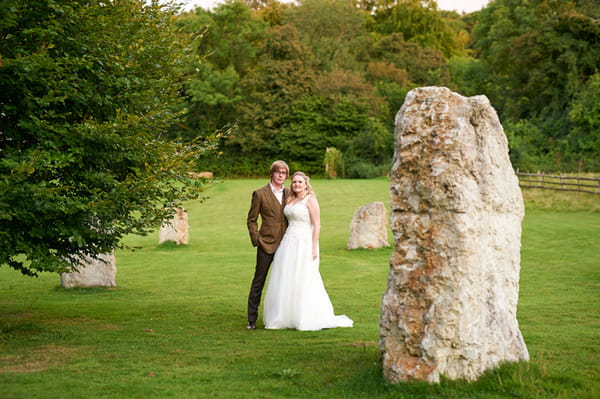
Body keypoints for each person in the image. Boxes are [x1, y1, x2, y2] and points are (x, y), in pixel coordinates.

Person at [263, 172, 353, 331]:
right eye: (294, 182)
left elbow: (317, 225)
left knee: (304, 277)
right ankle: (284, 316)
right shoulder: (291, 199)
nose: (296, 184)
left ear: (306, 184)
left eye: (300, 182)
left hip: (304, 242)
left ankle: (305, 316)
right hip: (289, 241)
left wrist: (313, 247)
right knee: (286, 276)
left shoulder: (310, 200)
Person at [246, 160, 290, 330]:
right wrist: (257, 238)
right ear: (272, 173)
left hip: (286, 244)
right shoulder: (260, 194)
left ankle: (281, 317)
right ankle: (251, 319)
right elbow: (251, 220)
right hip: (266, 244)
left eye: (284, 173)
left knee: (284, 282)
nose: (281, 175)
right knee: (259, 281)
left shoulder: (290, 192)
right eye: (278, 172)